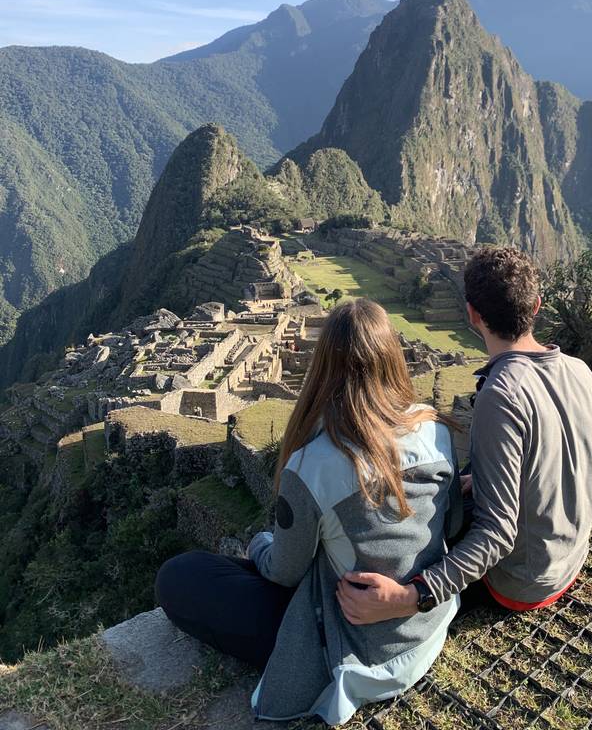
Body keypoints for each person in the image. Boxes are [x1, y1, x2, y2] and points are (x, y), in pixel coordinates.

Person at [155, 298, 461, 725]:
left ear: (323, 367)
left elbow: (285, 573)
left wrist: (261, 544)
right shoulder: (436, 428)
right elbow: (451, 523)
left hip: (353, 641)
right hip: (424, 625)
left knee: (181, 576)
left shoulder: (315, 463)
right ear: (391, 357)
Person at [336, 246, 592, 624]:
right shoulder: (579, 371)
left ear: (473, 314)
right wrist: (484, 478)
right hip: (570, 556)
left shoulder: (502, 394)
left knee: (402, 538)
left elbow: (497, 534)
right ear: (537, 305)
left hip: (522, 583)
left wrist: (411, 596)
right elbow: (562, 455)